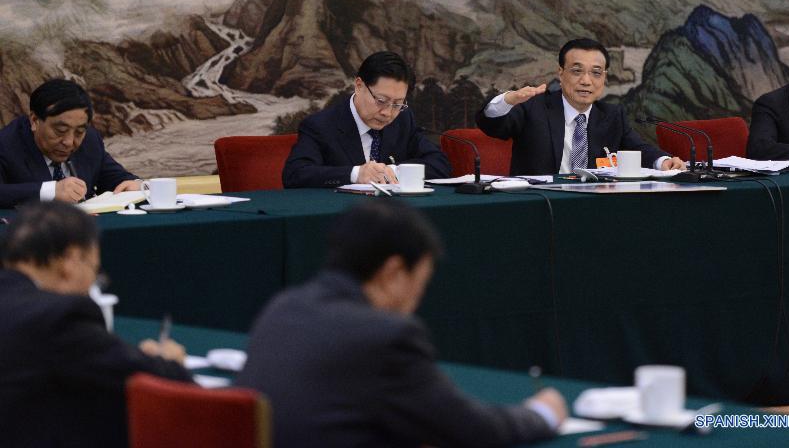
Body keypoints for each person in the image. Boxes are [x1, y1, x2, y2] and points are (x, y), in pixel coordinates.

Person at [237, 200, 566, 447]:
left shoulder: (284, 306)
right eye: (420, 285)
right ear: (393, 272)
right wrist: (542, 413)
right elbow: (472, 430)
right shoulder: (385, 336)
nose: (416, 302)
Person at [0, 201, 191, 448]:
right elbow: (151, 379)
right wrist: (169, 361)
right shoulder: (58, 318)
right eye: (94, 269)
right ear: (71, 261)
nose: (92, 282)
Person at [476, 39, 685, 175]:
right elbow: (492, 125)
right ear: (561, 73)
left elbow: (638, 149)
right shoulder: (534, 108)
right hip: (541, 204)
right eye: (577, 71)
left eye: (596, 73)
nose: (586, 81)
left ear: (604, 77)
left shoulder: (611, 115)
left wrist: (663, 162)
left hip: (594, 206)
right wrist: (508, 100)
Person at [282, 51, 451, 187]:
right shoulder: (320, 126)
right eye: (381, 101)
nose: (387, 113)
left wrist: (393, 171)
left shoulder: (403, 120)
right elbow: (295, 174)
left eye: (397, 104)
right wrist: (356, 174)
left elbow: (440, 164)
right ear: (359, 85)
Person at [0, 79, 141, 209]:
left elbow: (119, 179)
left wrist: (138, 186)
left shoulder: (90, 140)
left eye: (79, 132)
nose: (69, 142)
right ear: (34, 120)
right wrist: (52, 191)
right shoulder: (6, 144)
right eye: (60, 131)